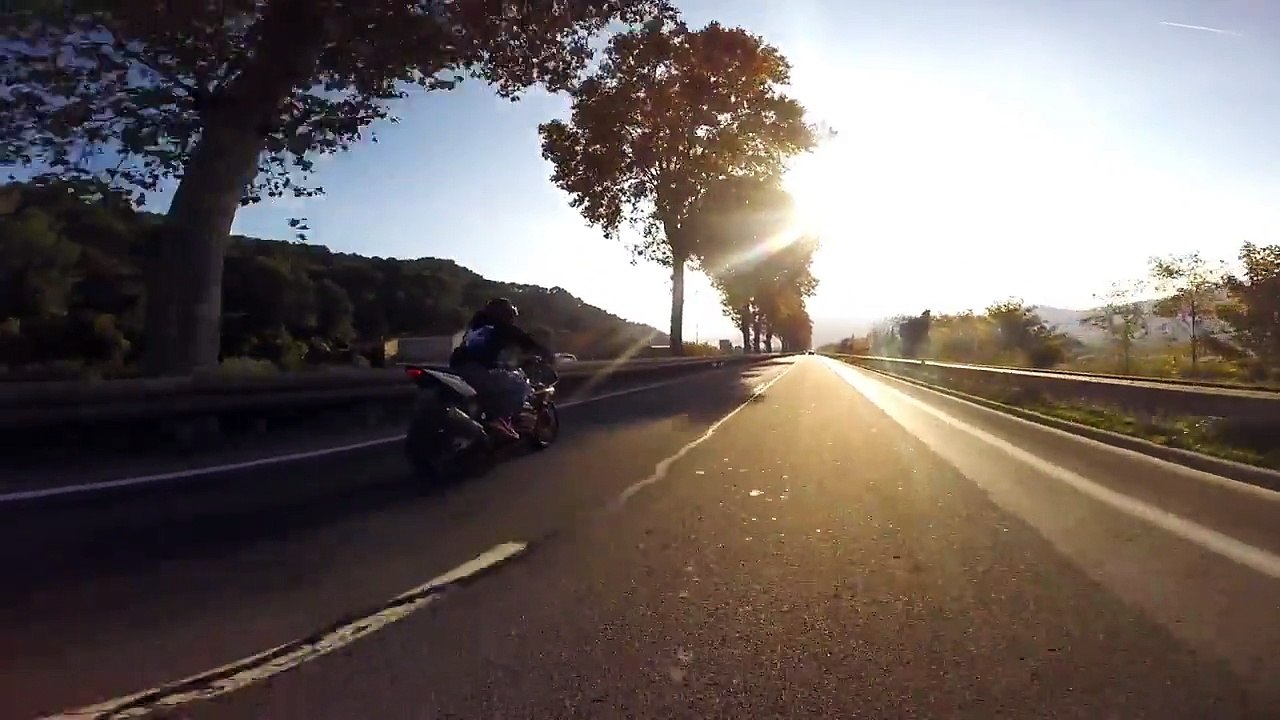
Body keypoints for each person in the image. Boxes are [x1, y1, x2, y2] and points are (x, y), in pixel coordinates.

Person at [448, 297, 552, 439]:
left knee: (497, 384)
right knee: (520, 386)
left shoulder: (474, 326)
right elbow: (527, 343)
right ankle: (499, 420)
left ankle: (481, 420)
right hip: (476, 371)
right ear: (506, 314)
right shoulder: (502, 327)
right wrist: (548, 356)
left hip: (455, 370)